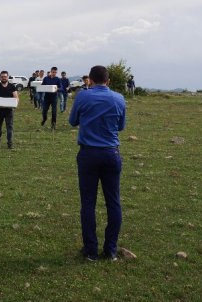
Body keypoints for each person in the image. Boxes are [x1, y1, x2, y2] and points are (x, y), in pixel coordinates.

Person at [68, 65, 126, 262]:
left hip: (88, 154)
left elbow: (72, 121)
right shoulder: (119, 98)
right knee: (113, 202)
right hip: (111, 153)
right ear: (108, 81)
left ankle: (90, 250)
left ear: (90, 80)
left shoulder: (83, 96)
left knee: (88, 203)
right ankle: (110, 250)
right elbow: (121, 126)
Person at [0, 70, 19, 149]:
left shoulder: (12, 86)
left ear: (8, 77)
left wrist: (16, 103)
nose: (4, 78)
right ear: (0, 77)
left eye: (5, 76)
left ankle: (10, 143)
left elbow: (16, 97)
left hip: (9, 110)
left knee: (9, 126)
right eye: (2, 77)